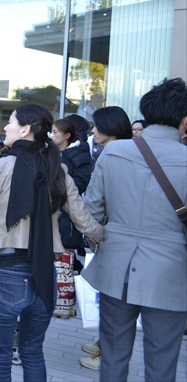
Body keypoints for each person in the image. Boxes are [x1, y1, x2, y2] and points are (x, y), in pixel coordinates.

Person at [0, 104, 104, 382]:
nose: (5, 127)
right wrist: (110, 238)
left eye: (10, 121)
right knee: (32, 352)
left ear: (25, 130)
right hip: (45, 273)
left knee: (1, 357)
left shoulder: (0, 168)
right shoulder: (57, 168)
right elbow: (84, 221)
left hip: (5, 272)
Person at [82, 78, 187, 382]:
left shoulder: (113, 152)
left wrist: (103, 240)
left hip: (116, 266)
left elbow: (92, 212)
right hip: (170, 272)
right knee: (162, 363)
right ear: (183, 119)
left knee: (112, 358)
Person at [78, 106, 132, 371]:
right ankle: (102, 345)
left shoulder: (111, 154)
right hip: (126, 234)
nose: (93, 131)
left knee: (113, 304)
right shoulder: (132, 152)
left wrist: (93, 235)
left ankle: (106, 354)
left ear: (110, 127)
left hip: (112, 234)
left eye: (97, 125)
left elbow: (96, 203)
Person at [51, 118, 92, 275]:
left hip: (67, 215)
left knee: (63, 268)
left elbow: (81, 183)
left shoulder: (79, 154)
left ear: (67, 135)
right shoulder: (48, 152)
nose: (51, 135)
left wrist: (56, 184)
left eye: (55, 132)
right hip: (49, 213)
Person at [89, 106, 132, 173]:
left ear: (110, 126)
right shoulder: (107, 153)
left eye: (96, 126)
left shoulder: (119, 157)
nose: (93, 130)